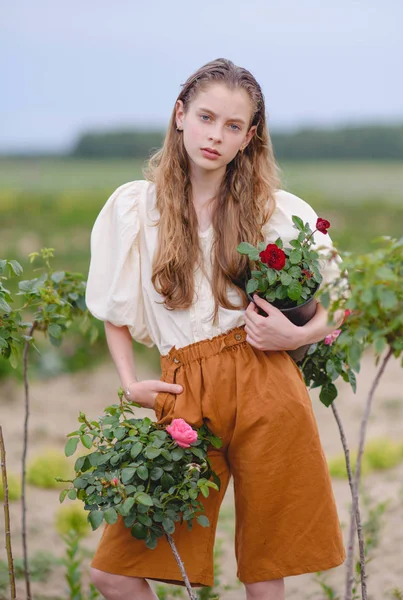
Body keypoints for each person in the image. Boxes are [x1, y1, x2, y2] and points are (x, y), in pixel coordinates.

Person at [85, 58, 346, 600]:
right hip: (183, 391)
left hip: (265, 382)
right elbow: (114, 311)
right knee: (114, 571)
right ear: (180, 115)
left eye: (233, 126)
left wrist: (296, 337)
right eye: (206, 118)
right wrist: (130, 382)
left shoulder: (272, 210)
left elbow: (342, 299)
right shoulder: (134, 208)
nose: (216, 135)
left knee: (264, 568)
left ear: (249, 137)